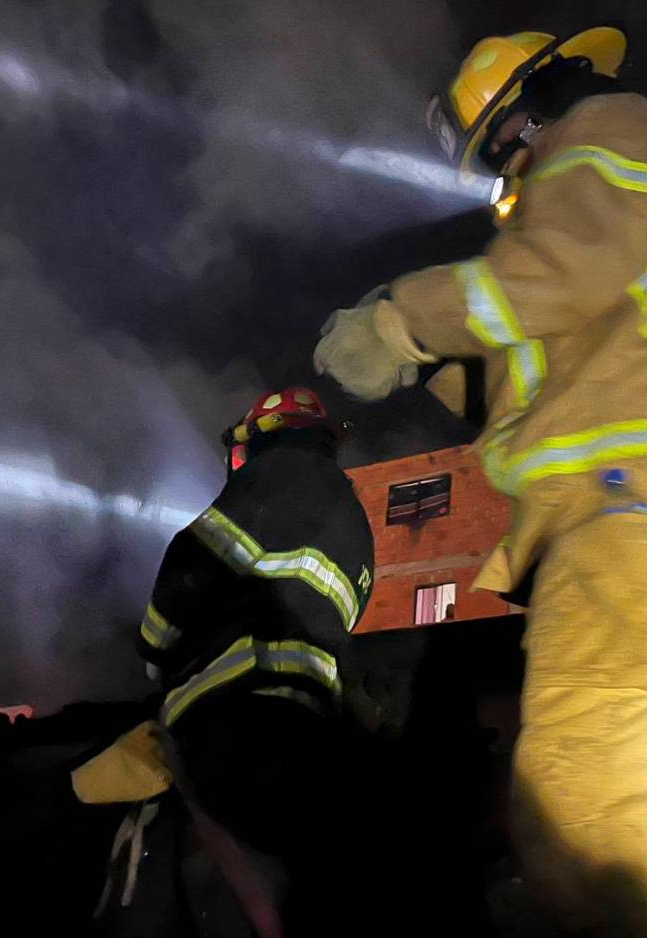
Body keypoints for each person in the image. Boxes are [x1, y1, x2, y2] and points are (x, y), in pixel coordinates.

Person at [314, 27, 647, 937]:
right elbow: (537, 359)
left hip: (641, 508)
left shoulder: (605, 128)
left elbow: (555, 275)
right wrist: (431, 362)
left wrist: (402, 322)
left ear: (532, 111)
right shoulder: (599, 203)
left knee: (610, 831)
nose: (502, 177)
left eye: (500, 148)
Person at [136, 386, 376, 935]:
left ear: (263, 437)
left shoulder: (275, 476)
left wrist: (153, 646)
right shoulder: (355, 518)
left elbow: (194, 557)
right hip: (308, 719)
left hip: (230, 710)